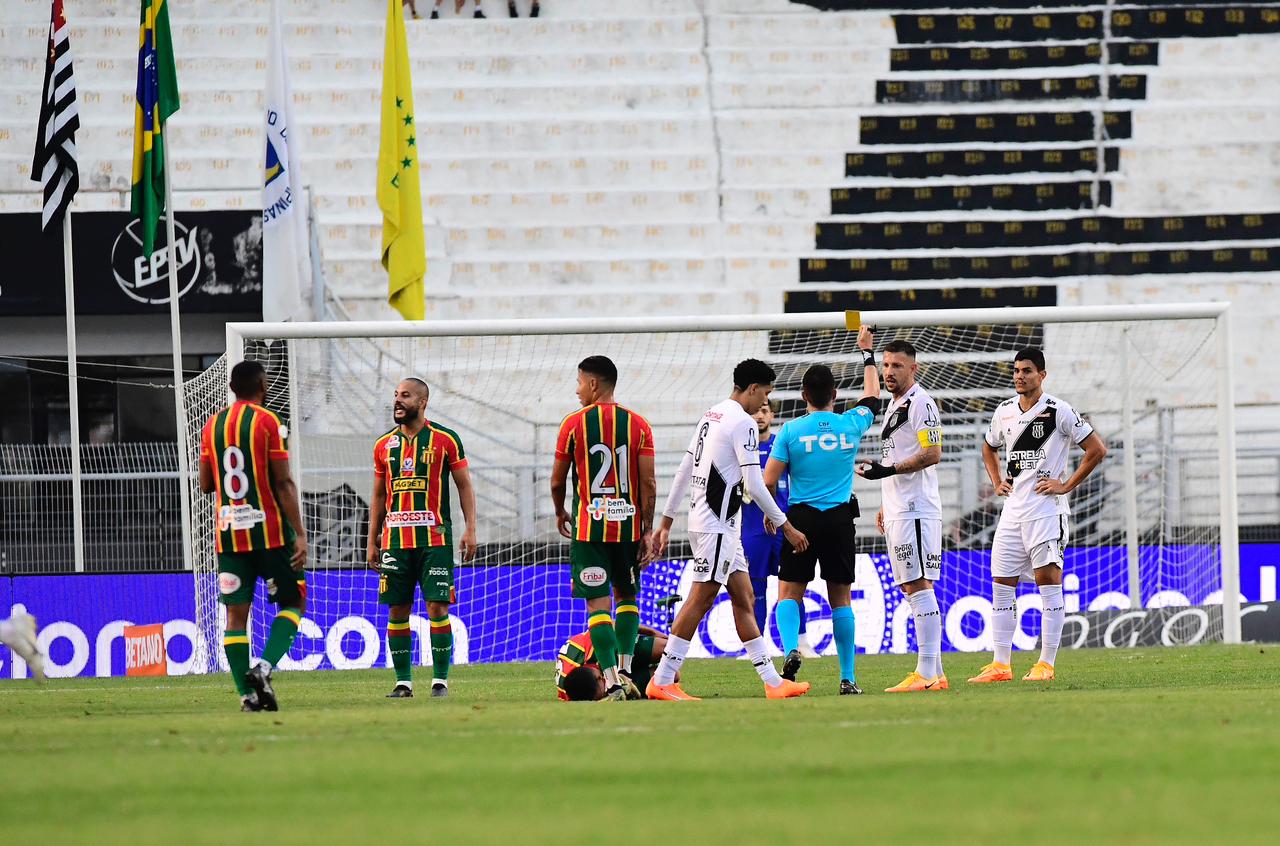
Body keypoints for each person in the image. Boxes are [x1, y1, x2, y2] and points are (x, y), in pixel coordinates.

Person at [646, 359, 811, 701]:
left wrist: (666, 521)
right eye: (764, 393)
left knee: (744, 596)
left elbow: (683, 469)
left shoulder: (712, 414)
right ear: (752, 389)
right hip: (716, 526)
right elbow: (754, 481)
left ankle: (772, 681)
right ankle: (662, 680)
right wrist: (787, 526)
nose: (763, 402)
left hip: (717, 526)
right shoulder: (743, 423)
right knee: (700, 599)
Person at [969, 348, 1107, 683]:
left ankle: (1045, 664)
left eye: (1027, 371)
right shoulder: (1004, 412)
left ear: (1041, 375)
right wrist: (997, 480)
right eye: (1016, 371)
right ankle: (1001, 665)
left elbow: (1097, 450)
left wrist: (1065, 485)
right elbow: (988, 447)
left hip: (1046, 512)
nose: (1019, 376)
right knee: (1002, 584)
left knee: (1048, 584)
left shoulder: (1059, 411)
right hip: (1013, 513)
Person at [764, 326, 879, 695]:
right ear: (834, 394)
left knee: (788, 594)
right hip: (840, 518)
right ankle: (847, 678)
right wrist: (867, 354)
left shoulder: (791, 431)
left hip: (802, 518)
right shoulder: (850, 424)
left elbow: (767, 481)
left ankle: (791, 648)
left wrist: (773, 516)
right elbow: (874, 398)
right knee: (840, 599)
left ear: (803, 396)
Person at [198, 360, 309, 712]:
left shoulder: (211, 425)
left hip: (229, 538)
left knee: (235, 618)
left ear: (231, 387)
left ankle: (246, 698)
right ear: (263, 385)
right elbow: (283, 482)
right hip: (271, 535)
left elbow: (205, 484)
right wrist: (301, 534)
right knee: (294, 602)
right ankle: (263, 668)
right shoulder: (268, 422)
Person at [550, 356, 657, 701]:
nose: (577, 389)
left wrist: (560, 510)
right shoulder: (639, 425)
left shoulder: (572, 424)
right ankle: (626, 670)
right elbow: (649, 484)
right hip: (627, 529)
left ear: (594, 384)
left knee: (598, 606)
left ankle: (611, 681)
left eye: (579, 382)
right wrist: (646, 528)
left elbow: (557, 481)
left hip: (589, 532)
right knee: (628, 598)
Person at [367, 378, 478, 698]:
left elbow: (464, 485)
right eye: (395, 396)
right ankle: (403, 682)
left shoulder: (445, 439)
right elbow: (377, 495)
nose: (397, 401)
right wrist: (371, 539)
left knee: (437, 608)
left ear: (422, 402)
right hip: (395, 542)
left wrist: (470, 527)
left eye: (405, 396)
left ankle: (440, 681)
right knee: (397, 610)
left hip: (435, 540)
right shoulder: (383, 445)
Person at [858, 340, 947, 692]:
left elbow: (932, 453)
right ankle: (936, 674)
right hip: (900, 508)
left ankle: (925, 672)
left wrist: (887, 471)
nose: (889, 371)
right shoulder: (896, 404)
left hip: (916, 509)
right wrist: (886, 500)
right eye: (886, 365)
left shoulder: (921, 402)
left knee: (917, 584)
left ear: (914, 369)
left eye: (897, 366)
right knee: (912, 584)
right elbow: (903, 452)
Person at [741, 400, 817, 655]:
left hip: (786, 524)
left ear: (772, 415)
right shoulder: (740, 446)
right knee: (755, 589)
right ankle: (757, 645)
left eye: (764, 411)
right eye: (754, 412)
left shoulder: (781, 443)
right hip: (753, 527)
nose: (759, 416)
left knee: (793, 584)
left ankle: (802, 642)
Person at [557, 625, 668, 701]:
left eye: (605, 683)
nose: (608, 687)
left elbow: (611, 624)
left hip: (611, 648)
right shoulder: (572, 694)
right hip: (601, 667)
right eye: (605, 693)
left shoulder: (596, 647)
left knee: (666, 648)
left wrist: (651, 632)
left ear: (599, 677)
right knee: (669, 677)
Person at [0, 610, 44, 681]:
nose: (36, 626)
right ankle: (39, 675)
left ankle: (39, 675)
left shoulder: (17, 624)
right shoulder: (23, 628)